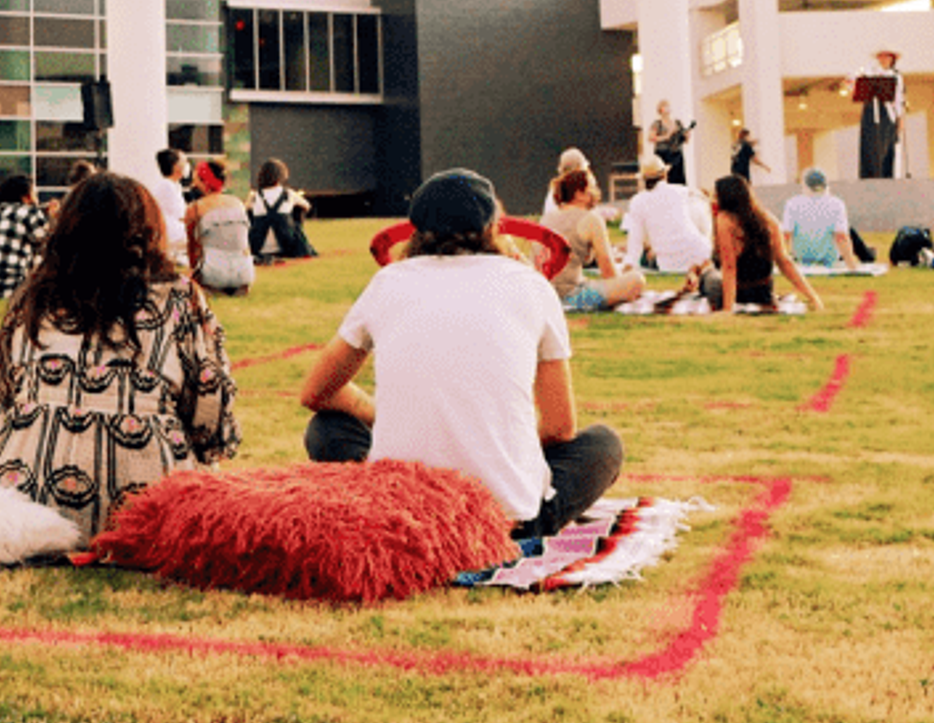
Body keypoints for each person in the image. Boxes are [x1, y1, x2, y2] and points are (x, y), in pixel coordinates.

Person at [299, 168, 623, 538]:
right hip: (502, 519)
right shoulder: (531, 287)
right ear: (493, 227)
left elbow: (316, 392)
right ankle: (514, 523)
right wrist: (495, 443)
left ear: (416, 230)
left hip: (400, 509)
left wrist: (382, 416)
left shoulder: (388, 283)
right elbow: (559, 427)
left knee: (327, 430)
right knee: (603, 445)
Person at [0, 172, 239, 542]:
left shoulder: (31, 299)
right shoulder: (178, 298)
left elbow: (7, 403)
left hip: (26, 499)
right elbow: (211, 414)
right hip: (148, 506)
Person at [698, 174, 823, 314]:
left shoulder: (725, 220)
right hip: (763, 294)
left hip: (739, 294)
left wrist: (728, 309)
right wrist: (814, 298)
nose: (713, 200)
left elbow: (729, 268)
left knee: (706, 275)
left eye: (715, 196)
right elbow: (785, 262)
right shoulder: (768, 220)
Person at [540, 167, 646, 312]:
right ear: (579, 194)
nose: (597, 192)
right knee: (636, 280)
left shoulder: (547, 217)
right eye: (593, 187)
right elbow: (609, 272)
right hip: (571, 297)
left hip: (544, 294)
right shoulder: (591, 219)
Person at [622, 154, 713, 275]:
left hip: (670, 264)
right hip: (700, 254)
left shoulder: (637, 202)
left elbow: (635, 241)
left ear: (643, 180)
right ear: (664, 175)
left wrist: (629, 265)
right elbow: (704, 210)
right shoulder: (681, 191)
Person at [185, 161, 255, 296]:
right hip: (244, 274)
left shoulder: (195, 208)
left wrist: (193, 273)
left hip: (213, 274)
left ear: (204, 182)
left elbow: (192, 249)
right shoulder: (238, 203)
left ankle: (214, 287)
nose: (193, 185)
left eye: (196, 180)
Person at [779, 167, 861, 270]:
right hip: (830, 260)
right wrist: (852, 267)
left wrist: (780, 263)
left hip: (802, 258)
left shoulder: (792, 204)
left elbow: (785, 235)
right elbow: (841, 237)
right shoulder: (836, 204)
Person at [247, 158, 316, 261]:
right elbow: (307, 206)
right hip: (286, 246)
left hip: (259, 246)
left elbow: (245, 210)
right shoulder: (288, 193)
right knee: (296, 210)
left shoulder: (254, 196)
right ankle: (299, 246)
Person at [853, 49, 906, 179]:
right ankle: (869, 174)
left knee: (887, 145)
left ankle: (886, 175)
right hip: (871, 110)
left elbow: (899, 98)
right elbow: (855, 81)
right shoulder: (869, 71)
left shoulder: (896, 76)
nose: (884, 60)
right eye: (881, 57)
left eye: (887, 57)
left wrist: (900, 118)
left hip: (888, 113)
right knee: (870, 144)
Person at [148, 148, 190, 266]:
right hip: (172, 237)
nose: (187, 165)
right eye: (184, 162)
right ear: (176, 166)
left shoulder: (174, 186)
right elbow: (182, 215)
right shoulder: (166, 187)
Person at [647, 100, 691, 186]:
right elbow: (651, 138)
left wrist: (687, 135)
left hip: (677, 155)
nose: (668, 108)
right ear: (660, 110)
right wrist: (667, 136)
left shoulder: (677, 123)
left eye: (668, 106)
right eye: (665, 106)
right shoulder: (657, 124)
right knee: (665, 179)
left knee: (679, 180)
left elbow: (685, 140)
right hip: (663, 154)